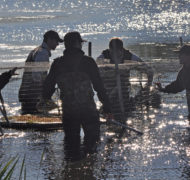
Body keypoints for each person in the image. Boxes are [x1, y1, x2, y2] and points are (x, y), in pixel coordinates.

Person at [40, 31, 112, 160]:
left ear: (66, 45)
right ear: (78, 44)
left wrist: (46, 100)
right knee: (92, 148)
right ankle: (88, 171)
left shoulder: (57, 63)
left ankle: (71, 172)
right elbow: (99, 86)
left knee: (71, 149)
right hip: (88, 111)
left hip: (69, 112)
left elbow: (47, 88)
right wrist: (107, 107)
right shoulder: (88, 62)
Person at [18, 30, 63, 114]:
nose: (57, 44)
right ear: (49, 39)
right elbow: (36, 76)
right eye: (56, 41)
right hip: (32, 95)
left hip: (26, 93)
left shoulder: (37, 50)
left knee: (29, 117)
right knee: (36, 117)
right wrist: (44, 92)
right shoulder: (43, 53)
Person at [156, 45, 190, 119]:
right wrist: (163, 89)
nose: (179, 57)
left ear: (188, 56)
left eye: (181, 54)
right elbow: (177, 86)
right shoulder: (183, 71)